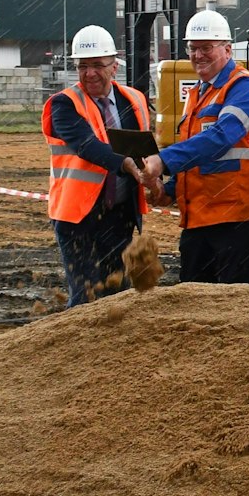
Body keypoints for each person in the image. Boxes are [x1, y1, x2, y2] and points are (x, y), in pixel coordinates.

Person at [142, 8, 249, 283]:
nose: (198, 55)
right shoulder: (198, 93)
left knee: (230, 304)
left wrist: (163, 161)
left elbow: (220, 138)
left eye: (206, 48)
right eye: (193, 48)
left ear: (227, 50)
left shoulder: (244, 87)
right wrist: (168, 191)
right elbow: (198, 155)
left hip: (239, 216)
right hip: (203, 215)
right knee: (194, 297)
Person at [41, 25, 155, 307]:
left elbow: (143, 149)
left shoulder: (135, 100)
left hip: (120, 215)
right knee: (86, 297)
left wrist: (156, 176)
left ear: (114, 66)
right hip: (78, 217)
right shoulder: (64, 105)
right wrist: (126, 164)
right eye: (82, 66)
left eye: (97, 65)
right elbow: (87, 146)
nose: (89, 73)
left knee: (118, 292)